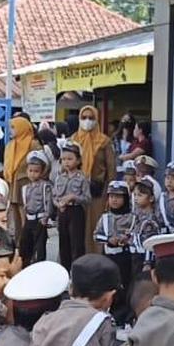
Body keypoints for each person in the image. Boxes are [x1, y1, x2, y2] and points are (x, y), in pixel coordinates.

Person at [71, 105, 116, 254]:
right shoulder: (74, 140)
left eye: (91, 118)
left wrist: (110, 193)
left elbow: (111, 168)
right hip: (76, 191)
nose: (87, 121)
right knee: (77, 227)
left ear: (96, 120)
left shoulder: (104, 141)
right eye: (84, 118)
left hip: (98, 191)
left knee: (95, 225)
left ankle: (95, 259)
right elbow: (66, 164)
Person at [94, 181, 135, 325]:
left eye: (118, 197)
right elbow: (96, 235)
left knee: (124, 285)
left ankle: (124, 317)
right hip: (108, 255)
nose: (114, 200)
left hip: (124, 256)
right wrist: (108, 239)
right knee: (108, 284)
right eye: (111, 196)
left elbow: (136, 235)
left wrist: (127, 239)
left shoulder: (132, 218)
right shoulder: (105, 218)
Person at [54, 142, 91, 270]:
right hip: (62, 212)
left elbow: (87, 199)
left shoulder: (82, 178)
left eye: (70, 159)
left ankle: (76, 273)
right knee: (63, 244)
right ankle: (64, 272)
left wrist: (74, 197)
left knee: (76, 244)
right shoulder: (59, 178)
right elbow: (54, 196)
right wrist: (58, 204)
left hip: (76, 212)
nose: (66, 162)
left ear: (78, 160)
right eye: (63, 159)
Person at [3, 115, 41, 238]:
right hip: (12, 184)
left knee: (26, 216)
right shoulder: (10, 145)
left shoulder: (33, 144)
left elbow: (42, 164)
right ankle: (18, 243)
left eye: (14, 127)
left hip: (27, 185)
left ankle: (28, 243)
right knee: (15, 217)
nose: (11, 130)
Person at [18, 151, 53, 267]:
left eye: (36, 171)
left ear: (42, 172)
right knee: (25, 244)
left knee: (39, 247)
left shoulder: (45, 186)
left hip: (40, 220)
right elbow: (25, 205)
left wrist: (46, 216)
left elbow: (48, 203)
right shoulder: (25, 187)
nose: (33, 174)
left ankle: (39, 267)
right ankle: (25, 265)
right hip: (29, 220)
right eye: (30, 171)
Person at [130, 180, 162, 279]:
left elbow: (150, 243)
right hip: (135, 256)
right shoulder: (138, 216)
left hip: (144, 258)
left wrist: (147, 263)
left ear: (151, 198)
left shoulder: (150, 220)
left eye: (140, 195)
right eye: (135, 195)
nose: (136, 198)